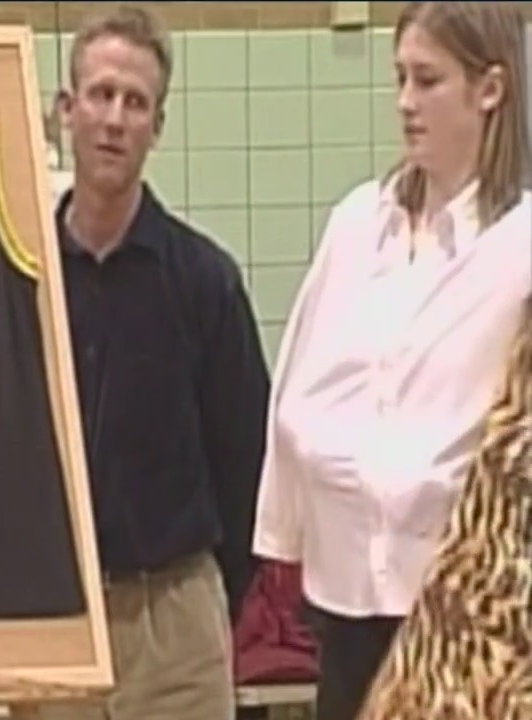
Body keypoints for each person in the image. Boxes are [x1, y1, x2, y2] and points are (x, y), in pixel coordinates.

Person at [252, 3, 532, 719]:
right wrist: (284, 536)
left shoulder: (520, 247)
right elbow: (298, 384)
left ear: (490, 89)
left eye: (428, 81)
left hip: (468, 616)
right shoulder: (359, 224)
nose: (405, 101)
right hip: (345, 601)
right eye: (400, 78)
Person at [51, 6, 270, 719]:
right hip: (55, 618)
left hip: (175, 624)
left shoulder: (205, 283)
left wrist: (201, 602)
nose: (115, 119)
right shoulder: (22, 279)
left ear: (158, 126)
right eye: (100, 95)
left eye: (135, 102)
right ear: (66, 110)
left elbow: (247, 461)